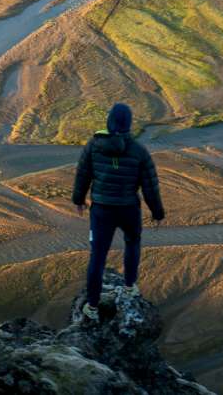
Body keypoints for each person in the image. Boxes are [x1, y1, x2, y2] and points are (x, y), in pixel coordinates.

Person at [72, 102, 165, 313]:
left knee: (98, 256)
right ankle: (130, 287)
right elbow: (150, 186)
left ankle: (92, 307)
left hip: (101, 211)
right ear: (129, 124)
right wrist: (157, 213)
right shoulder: (139, 151)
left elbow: (82, 175)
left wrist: (78, 200)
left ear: (109, 122)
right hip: (129, 210)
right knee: (132, 243)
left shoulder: (93, 146)